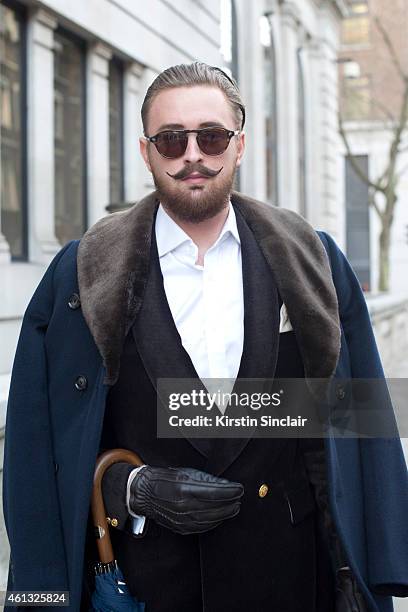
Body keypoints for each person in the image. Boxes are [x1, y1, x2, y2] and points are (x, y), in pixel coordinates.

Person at [3, 62, 408, 612]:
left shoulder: (312, 259)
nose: (193, 154)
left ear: (238, 146)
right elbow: (38, 444)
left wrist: (367, 574)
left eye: (211, 136)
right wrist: (128, 489)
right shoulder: (81, 274)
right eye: (171, 140)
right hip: (147, 585)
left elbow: (357, 418)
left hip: (290, 580)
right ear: (146, 152)